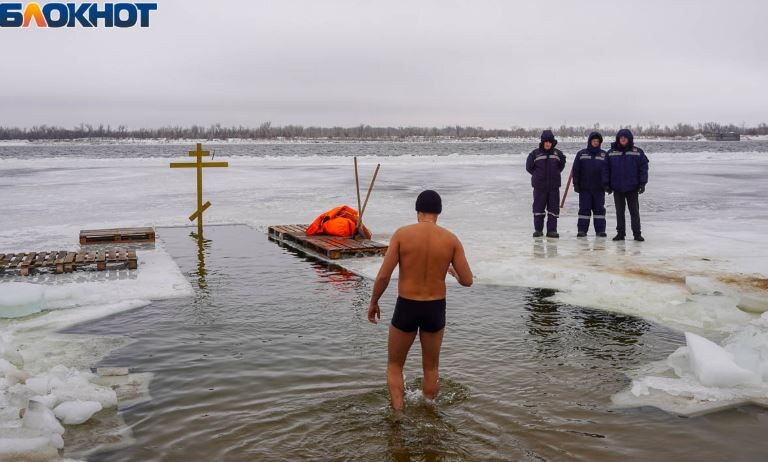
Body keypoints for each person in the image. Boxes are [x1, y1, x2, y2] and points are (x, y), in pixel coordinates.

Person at [368, 190, 473, 411]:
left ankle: (398, 414)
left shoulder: (402, 235)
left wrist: (374, 301)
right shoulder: (451, 239)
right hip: (435, 307)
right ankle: (430, 411)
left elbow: (384, 276)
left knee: (395, 366)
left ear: (418, 211)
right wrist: (453, 273)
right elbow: (467, 280)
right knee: (431, 368)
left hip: (407, 305)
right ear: (438, 213)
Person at [605, 128, 649, 241]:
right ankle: (620, 233)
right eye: (621, 138)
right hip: (617, 187)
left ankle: (637, 234)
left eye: (625, 138)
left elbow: (643, 168)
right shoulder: (611, 153)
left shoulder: (637, 152)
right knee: (619, 212)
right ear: (618, 139)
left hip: (632, 187)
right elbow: (606, 170)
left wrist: (642, 183)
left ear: (629, 139)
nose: (623, 139)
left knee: (634, 212)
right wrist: (607, 184)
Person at [526, 130, 566, 238]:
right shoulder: (534, 154)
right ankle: (538, 230)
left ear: (552, 142)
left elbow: (561, 165)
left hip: (554, 187)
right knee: (538, 209)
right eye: (546, 142)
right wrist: (537, 175)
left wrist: (555, 174)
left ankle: (552, 231)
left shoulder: (558, 154)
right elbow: (529, 167)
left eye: (550, 142)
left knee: (553, 209)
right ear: (542, 142)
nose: (548, 144)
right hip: (539, 187)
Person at [572, 132, 608, 237]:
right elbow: (576, 170)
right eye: (594, 141)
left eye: (597, 141)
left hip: (599, 188)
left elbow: (608, 171)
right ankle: (582, 230)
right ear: (590, 141)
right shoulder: (581, 154)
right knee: (584, 210)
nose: (595, 143)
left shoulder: (604, 155)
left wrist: (607, 184)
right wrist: (576, 184)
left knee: (599, 210)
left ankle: (600, 231)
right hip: (585, 188)